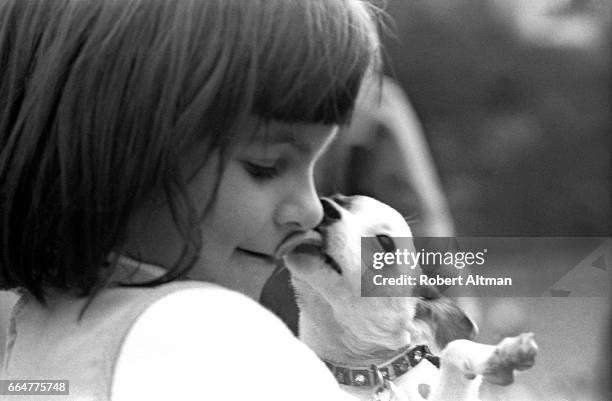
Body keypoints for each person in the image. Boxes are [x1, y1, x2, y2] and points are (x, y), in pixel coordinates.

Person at [0, 0, 382, 399]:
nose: (312, 209)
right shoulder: (208, 332)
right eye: (264, 166)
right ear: (121, 150)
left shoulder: (42, 332)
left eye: (313, 167)